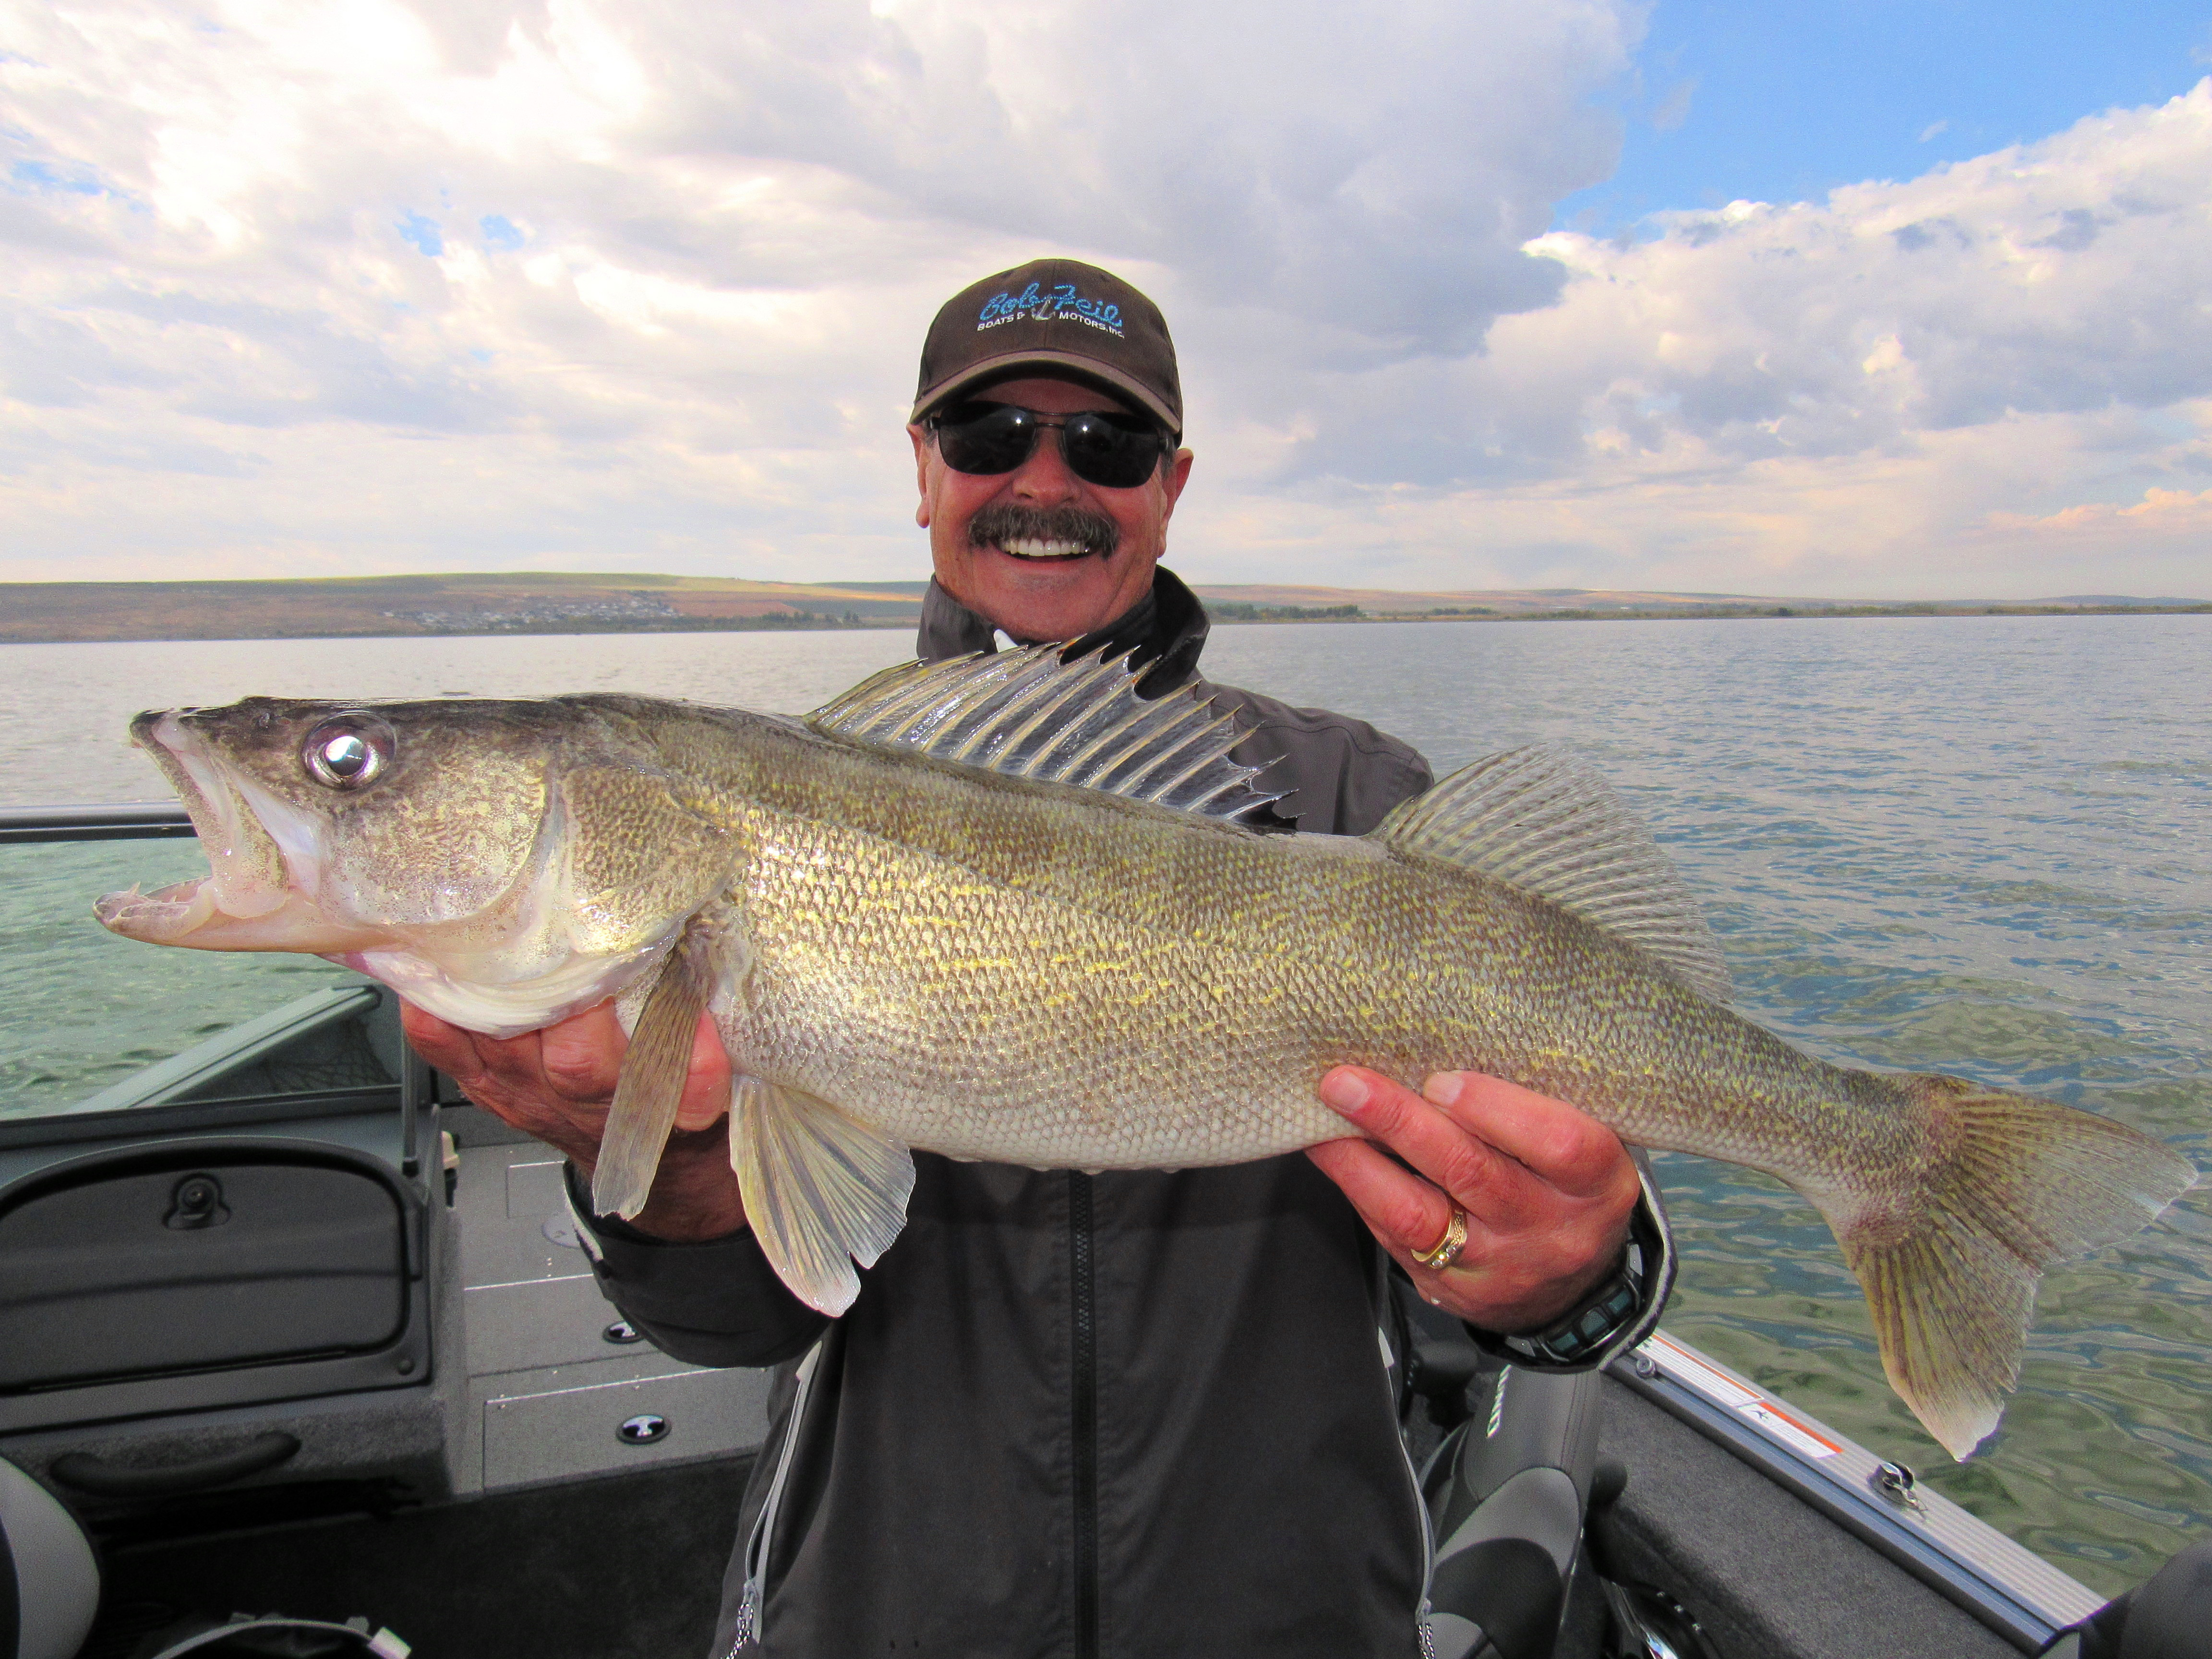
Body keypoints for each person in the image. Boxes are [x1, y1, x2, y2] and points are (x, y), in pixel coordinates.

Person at [403, 258, 1675, 1658]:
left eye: (1109, 442)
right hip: (881, 1614)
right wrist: (655, 1162)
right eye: (990, 435)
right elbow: (741, 1324)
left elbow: (1549, 1250)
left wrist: (1573, 1273)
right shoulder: (755, 819)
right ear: (924, 468)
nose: (1047, 480)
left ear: (1172, 485)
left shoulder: (1356, 803)